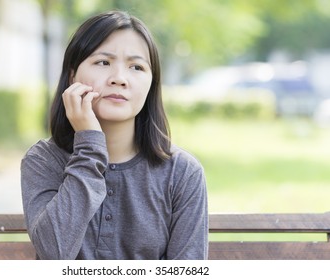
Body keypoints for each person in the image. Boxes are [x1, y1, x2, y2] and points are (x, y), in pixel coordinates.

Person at [21, 10, 208, 260]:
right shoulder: (44, 160)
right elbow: (53, 255)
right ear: (72, 75)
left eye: (136, 67)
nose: (119, 79)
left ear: (152, 83)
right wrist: (89, 145)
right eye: (103, 62)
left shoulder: (182, 173)